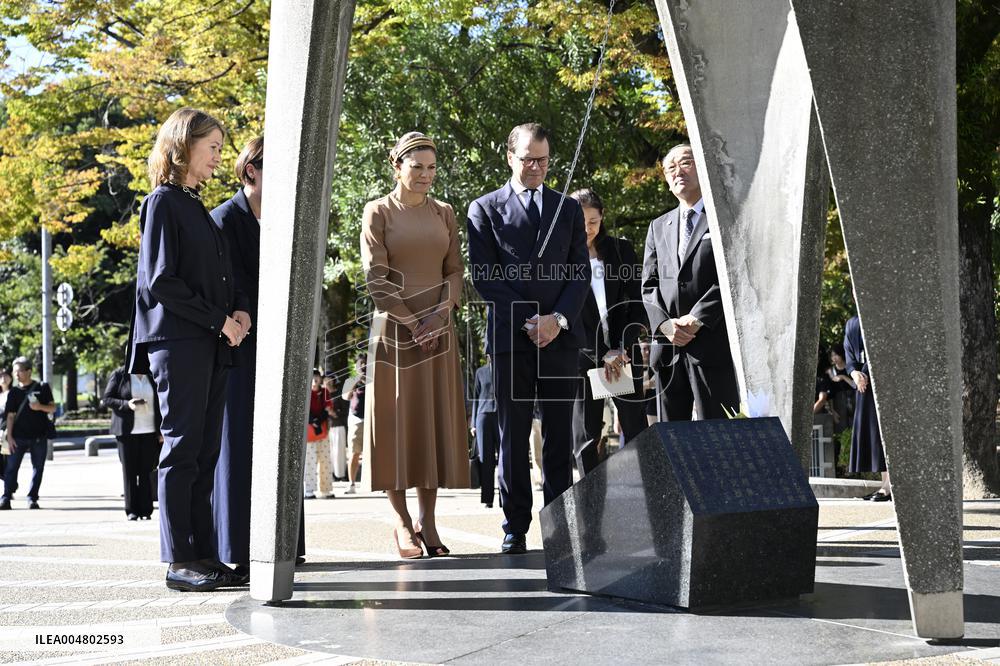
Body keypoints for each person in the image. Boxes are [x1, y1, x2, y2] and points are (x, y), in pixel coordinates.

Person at [126, 107, 250, 592]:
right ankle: (180, 560)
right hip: (179, 343)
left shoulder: (196, 204)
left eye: (221, 148)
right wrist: (218, 319)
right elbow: (161, 281)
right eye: (213, 147)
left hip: (212, 341)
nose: (220, 157)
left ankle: (203, 554)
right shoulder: (162, 202)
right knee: (181, 450)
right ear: (183, 145)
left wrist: (239, 313)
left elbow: (225, 276)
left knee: (204, 449)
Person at [467, 122, 590, 554]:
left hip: (559, 338)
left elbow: (580, 273)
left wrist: (556, 320)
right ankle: (514, 525)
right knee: (512, 436)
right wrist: (530, 321)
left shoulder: (568, 209)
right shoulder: (484, 209)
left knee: (560, 435)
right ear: (510, 157)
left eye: (543, 159)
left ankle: (559, 523)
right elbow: (486, 277)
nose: (536, 167)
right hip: (511, 339)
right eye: (527, 159)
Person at [360, 131, 469, 558]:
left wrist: (439, 318)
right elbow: (376, 277)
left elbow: (455, 270)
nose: (425, 175)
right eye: (417, 166)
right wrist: (412, 324)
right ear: (397, 165)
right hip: (395, 332)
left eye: (432, 167)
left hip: (438, 330)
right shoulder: (378, 212)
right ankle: (402, 523)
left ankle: (430, 521)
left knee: (432, 424)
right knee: (396, 425)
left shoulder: (445, 213)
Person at [641, 144, 739, 422]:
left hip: (711, 343)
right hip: (669, 350)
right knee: (672, 444)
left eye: (685, 163)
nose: (677, 172)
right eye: (670, 168)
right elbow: (648, 284)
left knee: (719, 438)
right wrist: (665, 324)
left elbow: (731, 274)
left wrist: (697, 318)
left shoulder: (723, 217)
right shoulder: (658, 226)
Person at [569, 188, 649, 476]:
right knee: (586, 438)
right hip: (583, 358)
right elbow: (566, 315)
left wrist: (621, 349)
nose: (586, 229)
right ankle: (590, 507)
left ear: (602, 217)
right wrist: (602, 354)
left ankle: (648, 498)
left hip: (623, 355)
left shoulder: (620, 251)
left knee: (636, 429)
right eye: (579, 222)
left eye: (593, 221)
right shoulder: (561, 259)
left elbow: (636, 305)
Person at [210, 136, 263, 579]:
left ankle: (285, 543)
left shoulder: (285, 218)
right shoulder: (223, 220)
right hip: (239, 345)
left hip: (278, 346)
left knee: (278, 445)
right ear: (251, 171)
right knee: (238, 445)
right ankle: (238, 547)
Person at [102, 366, 162, 521]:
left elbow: (162, 400)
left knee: (147, 471)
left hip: (150, 431)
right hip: (127, 433)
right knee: (129, 472)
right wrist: (127, 404)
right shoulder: (119, 374)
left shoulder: (152, 372)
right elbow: (107, 399)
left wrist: (161, 430)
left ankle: (146, 510)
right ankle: (131, 510)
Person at [844, 315, 890, 501]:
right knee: (874, 434)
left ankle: (889, 486)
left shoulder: (884, 315)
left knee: (885, 431)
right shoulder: (852, 324)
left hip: (884, 381)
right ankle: (885, 483)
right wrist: (854, 373)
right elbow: (849, 356)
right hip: (864, 385)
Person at [1, 357, 56, 510]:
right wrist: (10, 437)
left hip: (38, 436)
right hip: (17, 437)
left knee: (38, 468)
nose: (16, 374)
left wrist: (39, 407)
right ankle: (6, 497)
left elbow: (52, 408)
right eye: (14, 371)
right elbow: (10, 416)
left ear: (29, 371)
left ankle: (32, 498)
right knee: (11, 468)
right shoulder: (14, 392)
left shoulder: (42, 387)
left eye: (19, 371)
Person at [471, 356, 499, 508]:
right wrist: (473, 423)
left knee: (504, 458)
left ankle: (505, 497)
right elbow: (475, 397)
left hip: (502, 416)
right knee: (485, 459)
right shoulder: (480, 372)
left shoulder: (505, 368)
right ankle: (488, 498)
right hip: (483, 418)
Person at [303, 369, 334, 499]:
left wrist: (318, 420)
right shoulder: (305, 391)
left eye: (317, 377)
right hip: (309, 431)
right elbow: (303, 409)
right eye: (312, 377)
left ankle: (325, 489)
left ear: (321, 379)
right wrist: (312, 421)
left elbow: (328, 408)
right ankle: (309, 489)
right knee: (309, 461)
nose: (315, 380)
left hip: (322, 430)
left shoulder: (325, 392)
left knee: (325, 460)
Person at [343, 357, 366, 495]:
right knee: (354, 453)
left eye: (365, 364)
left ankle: (382, 484)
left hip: (372, 420)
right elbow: (345, 397)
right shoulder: (351, 381)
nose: (363, 367)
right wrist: (356, 381)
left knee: (376, 454)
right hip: (356, 420)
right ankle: (351, 484)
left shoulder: (375, 380)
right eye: (360, 365)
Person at [326, 374, 349, 481]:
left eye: (329, 380)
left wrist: (334, 413)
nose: (327, 382)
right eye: (325, 380)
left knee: (339, 452)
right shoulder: (323, 395)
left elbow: (345, 411)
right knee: (329, 452)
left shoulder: (339, 394)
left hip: (339, 426)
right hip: (327, 428)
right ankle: (332, 474)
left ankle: (341, 475)